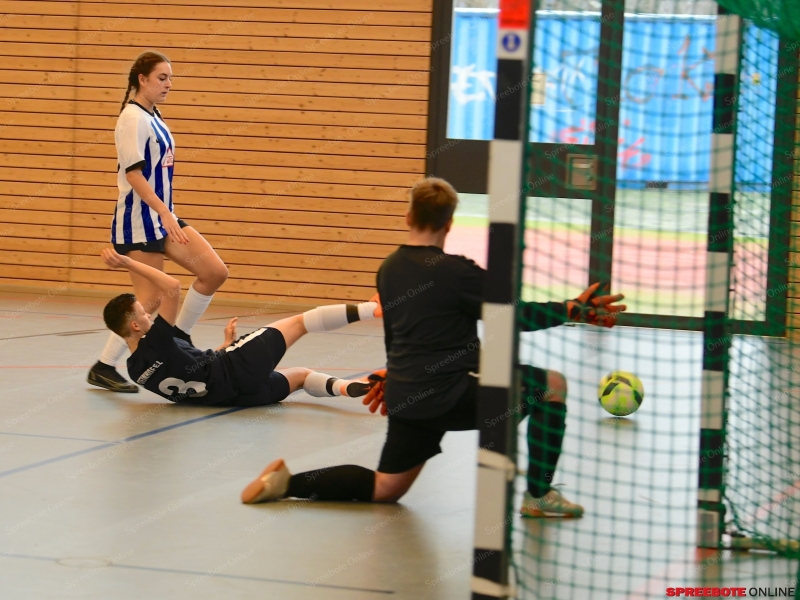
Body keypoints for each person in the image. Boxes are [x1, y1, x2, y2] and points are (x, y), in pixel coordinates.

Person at [240, 178, 626, 517]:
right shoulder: (458, 271)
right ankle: (539, 497)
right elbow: (515, 316)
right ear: (450, 223)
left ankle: (287, 483)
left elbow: (400, 335)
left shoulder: (388, 268)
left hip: (411, 395)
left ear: (409, 218)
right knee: (552, 385)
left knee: (386, 488)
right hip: (455, 393)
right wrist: (573, 309)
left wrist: (392, 376)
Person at [88, 51, 228, 393]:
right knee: (148, 303)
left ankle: (178, 336)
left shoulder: (154, 115)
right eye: (162, 78)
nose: (168, 84)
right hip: (140, 221)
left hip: (163, 217)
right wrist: (163, 212)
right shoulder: (132, 118)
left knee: (213, 272)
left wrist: (167, 213)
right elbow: (133, 175)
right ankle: (104, 366)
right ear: (142, 79)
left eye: (170, 78)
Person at [99, 248, 380, 407]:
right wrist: (127, 262)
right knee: (300, 322)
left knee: (302, 377)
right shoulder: (156, 341)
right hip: (236, 366)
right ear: (135, 326)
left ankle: (351, 388)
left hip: (230, 397)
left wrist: (221, 346)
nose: (150, 313)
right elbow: (172, 286)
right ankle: (372, 309)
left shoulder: (136, 371)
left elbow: (189, 370)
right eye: (143, 313)